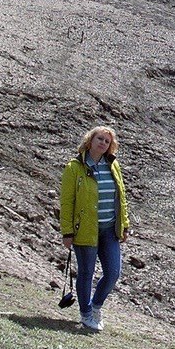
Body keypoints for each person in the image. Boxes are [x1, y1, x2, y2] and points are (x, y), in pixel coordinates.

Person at [59, 125, 130, 331]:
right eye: (99, 139)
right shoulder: (74, 167)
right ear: (90, 140)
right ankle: (86, 313)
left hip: (109, 229)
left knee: (113, 272)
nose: (103, 143)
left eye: (107, 141)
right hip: (85, 229)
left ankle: (96, 305)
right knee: (86, 273)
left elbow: (121, 197)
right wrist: (67, 232)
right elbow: (67, 201)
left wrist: (124, 225)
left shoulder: (113, 166)